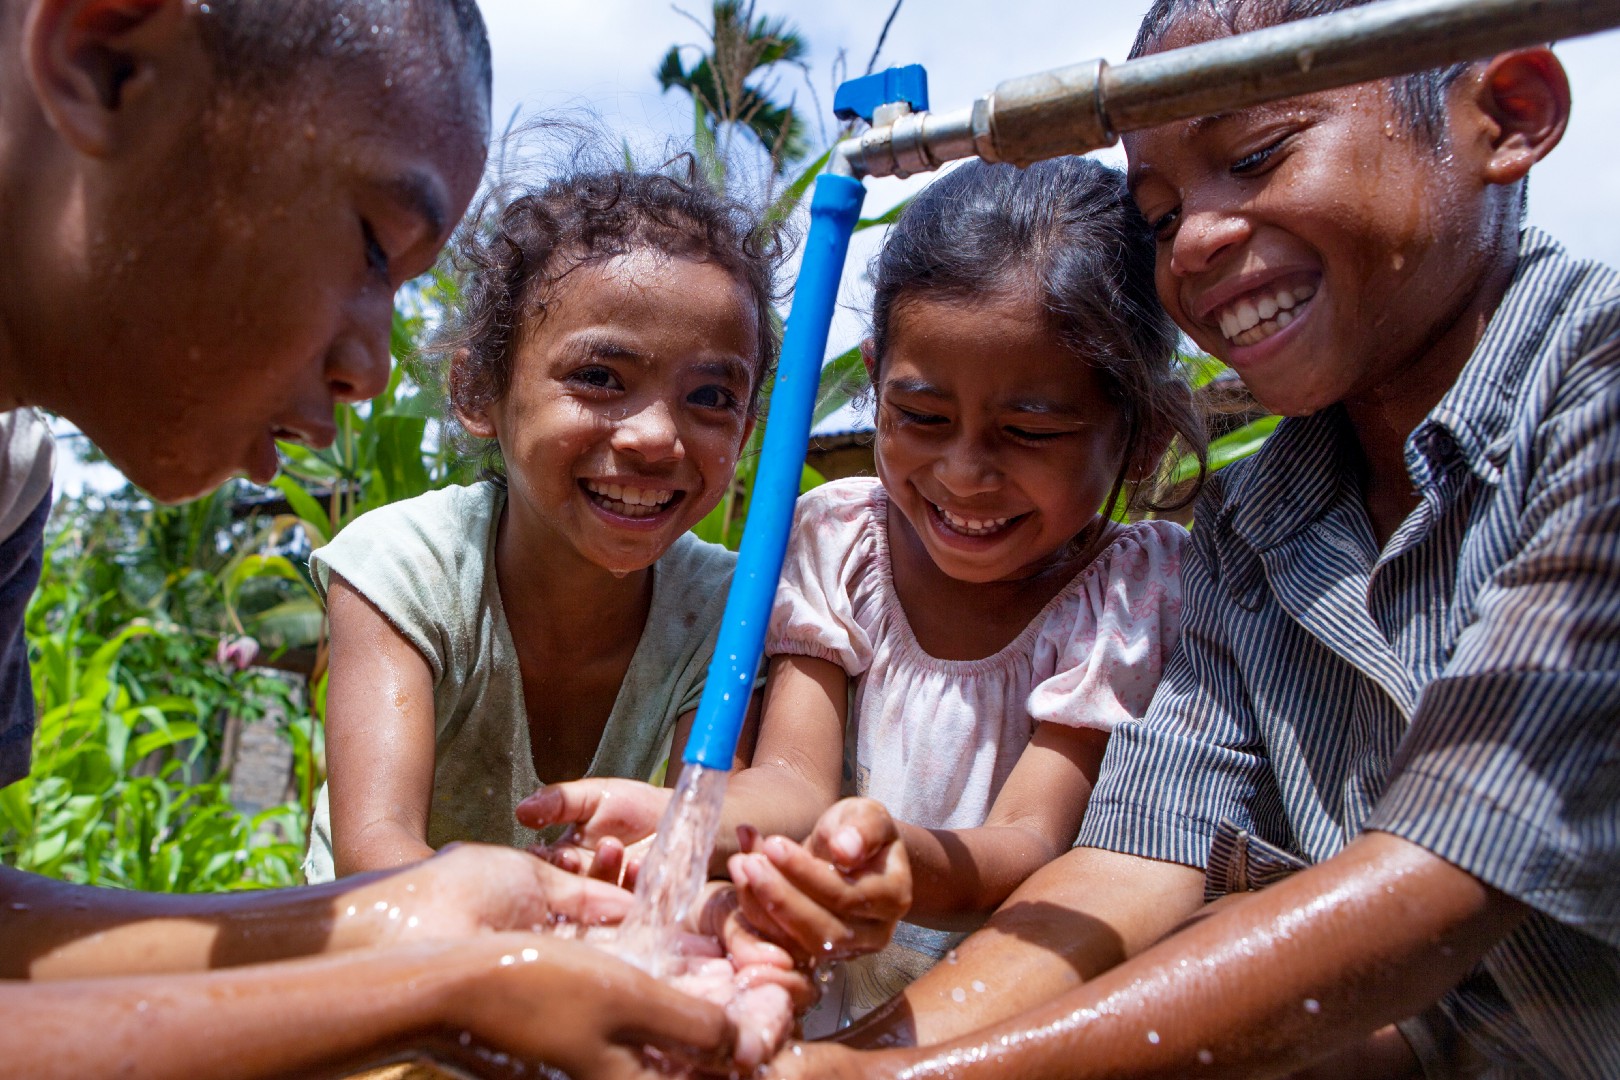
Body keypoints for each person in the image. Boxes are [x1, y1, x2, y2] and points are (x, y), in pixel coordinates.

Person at [770, 0, 1620, 1077]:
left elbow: (1454, 862)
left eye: (1257, 157)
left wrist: (909, 1076)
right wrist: (846, 1059)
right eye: (1162, 216)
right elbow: (1137, 857)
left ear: (1509, 113)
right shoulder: (1251, 524)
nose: (1202, 240)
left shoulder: (1596, 393)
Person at [0, 1, 744, 1075]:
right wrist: (425, 984)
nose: (370, 367)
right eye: (369, 249)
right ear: (106, 59)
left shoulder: (11, 474)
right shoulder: (411, 566)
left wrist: (418, 940)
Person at [527, 156, 1204, 1025]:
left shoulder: (1128, 592)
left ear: (1140, 437)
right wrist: (682, 819)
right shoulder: (843, 537)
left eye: (1030, 430)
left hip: (997, 1021)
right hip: (809, 1004)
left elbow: (1031, 844)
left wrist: (895, 860)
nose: (964, 474)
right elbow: (795, 780)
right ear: (877, 379)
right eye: (922, 417)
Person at [305, 167, 779, 882]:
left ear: (746, 432)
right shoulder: (407, 570)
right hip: (384, 965)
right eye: (598, 377)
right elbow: (378, 863)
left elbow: (698, 847)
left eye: (711, 395)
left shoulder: (728, 610)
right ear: (477, 392)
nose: (656, 437)